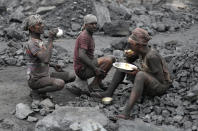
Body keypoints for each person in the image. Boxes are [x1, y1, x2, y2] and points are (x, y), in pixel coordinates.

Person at [92, 28, 172, 119]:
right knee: (123, 66)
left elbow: (160, 79)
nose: (129, 46)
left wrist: (139, 72)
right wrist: (129, 57)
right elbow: (129, 63)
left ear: (138, 45)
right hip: (149, 81)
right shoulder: (140, 51)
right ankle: (108, 93)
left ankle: (126, 113)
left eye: (131, 44)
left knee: (140, 75)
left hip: (160, 87)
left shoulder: (152, 56)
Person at [23, 14, 76, 100]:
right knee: (60, 83)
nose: (42, 25)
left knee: (72, 76)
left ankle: (42, 89)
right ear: (32, 28)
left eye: (42, 23)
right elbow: (45, 59)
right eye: (39, 24)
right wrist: (51, 38)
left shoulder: (39, 41)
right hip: (36, 80)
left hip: (46, 75)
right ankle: (37, 92)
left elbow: (40, 60)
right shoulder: (32, 43)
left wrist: (53, 65)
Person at [73, 14, 115, 92]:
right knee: (108, 60)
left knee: (112, 58)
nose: (94, 26)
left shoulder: (88, 34)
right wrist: (95, 68)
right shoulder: (84, 36)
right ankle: (94, 85)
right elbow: (81, 55)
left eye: (95, 23)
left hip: (85, 66)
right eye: (91, 24)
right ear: (85, 25)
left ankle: (98, 82)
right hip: (82, 70)